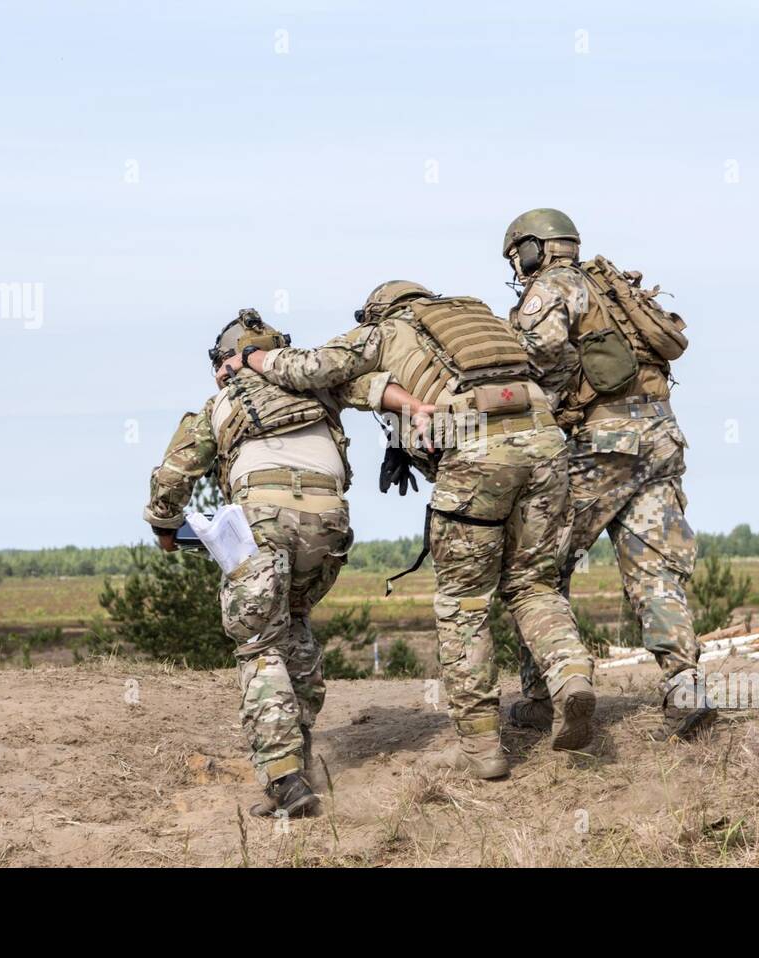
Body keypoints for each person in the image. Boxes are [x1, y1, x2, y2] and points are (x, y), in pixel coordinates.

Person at [222, 282, 597, 778]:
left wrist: (252, 358)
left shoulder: (386, 330)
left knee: (464, 604)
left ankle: (482, 748)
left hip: (477, 454)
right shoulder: (481, 319)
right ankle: (570, 675)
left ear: (380, 309)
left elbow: (306, 368)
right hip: (546, 446)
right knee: (534, 585)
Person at [144, 308, 422, 817]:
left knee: (259, 642)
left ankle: (284, 778)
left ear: (227, 362)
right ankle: (304, 757)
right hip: (329, 524)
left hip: (262, 522)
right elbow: (377, 389)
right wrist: (419, 410)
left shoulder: (219, 405)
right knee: (293, 622)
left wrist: (164, 528)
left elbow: (171, 479)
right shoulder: (315, 384)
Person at [500, 209, 714, 739]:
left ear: (533, 249)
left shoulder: (553, 288)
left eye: (515, 256)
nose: (515, 267)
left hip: (606, 442)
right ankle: (684, 687)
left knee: (538, 566)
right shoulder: (611, 285)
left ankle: (546, 694)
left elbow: (538, 358)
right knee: (653, 568)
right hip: (662, 437)